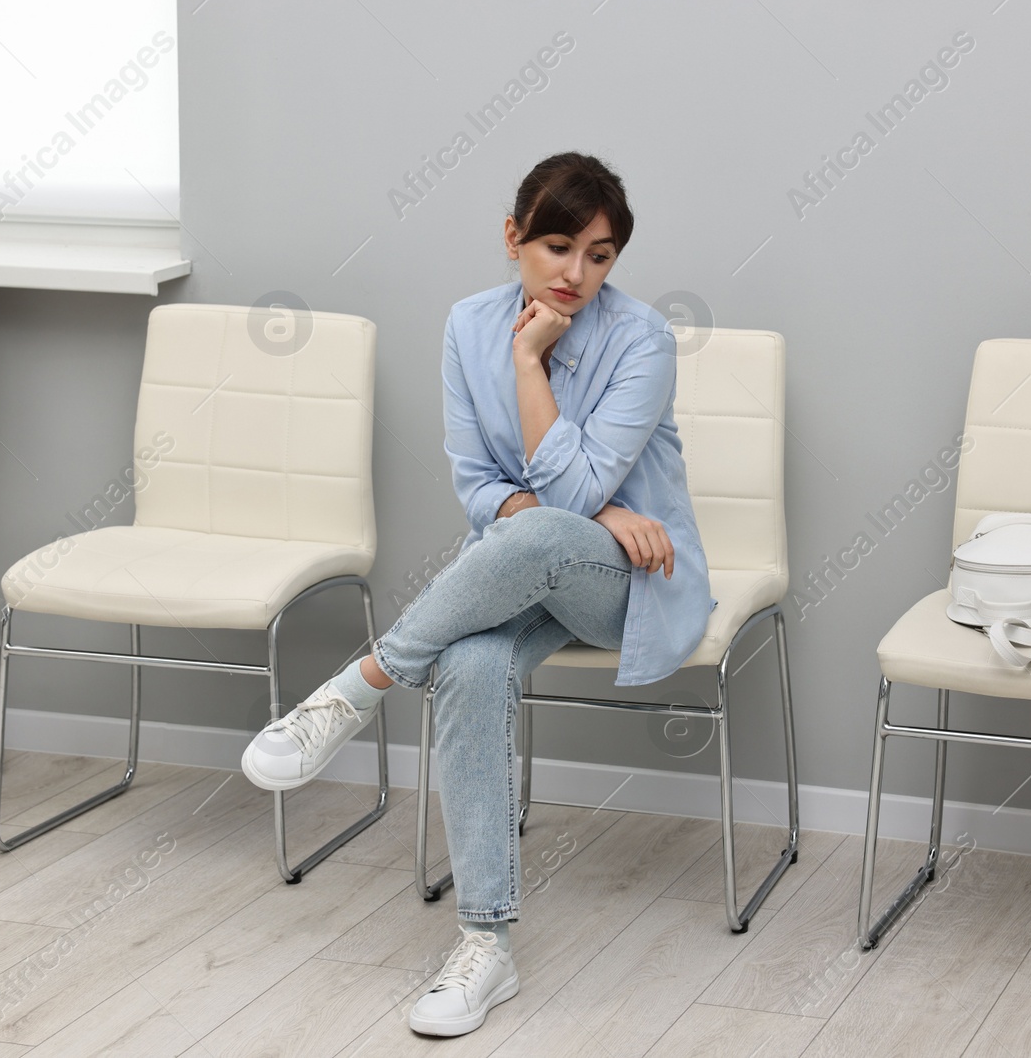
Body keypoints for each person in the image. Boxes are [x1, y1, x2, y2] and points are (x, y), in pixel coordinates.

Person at [241, 151, 713, 1037]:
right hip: (518, 563)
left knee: (536, 531)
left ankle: (356, 689)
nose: (578, 274)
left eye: (601, 256)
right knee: (467, 659)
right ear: (514, 238)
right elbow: (479, 484)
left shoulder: (642, 339)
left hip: (637, 582)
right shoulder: (466, 325)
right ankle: (485, 945)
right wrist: (598, 506)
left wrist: (533, 365)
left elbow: (557, 501)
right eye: (560, 246)